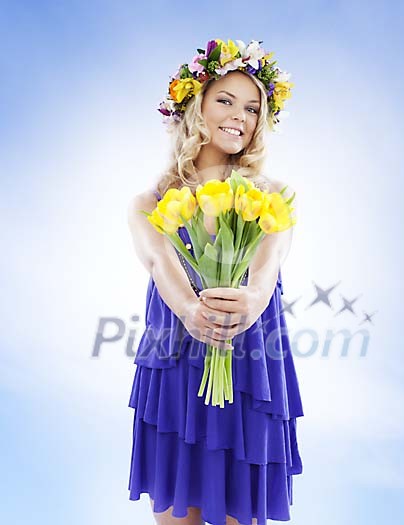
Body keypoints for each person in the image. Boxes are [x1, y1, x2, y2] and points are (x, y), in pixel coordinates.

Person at [127, 38, 304, 525]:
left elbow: (269, 266)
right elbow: (160, 263)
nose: (239, 116)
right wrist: (190, 310)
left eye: (252, 107)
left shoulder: (273, 197)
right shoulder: (151, 200)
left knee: (239, 515)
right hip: (175, 365)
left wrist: (252, 299)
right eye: (225, 100)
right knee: (176, 513)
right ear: (195, 107)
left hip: (250, 370)